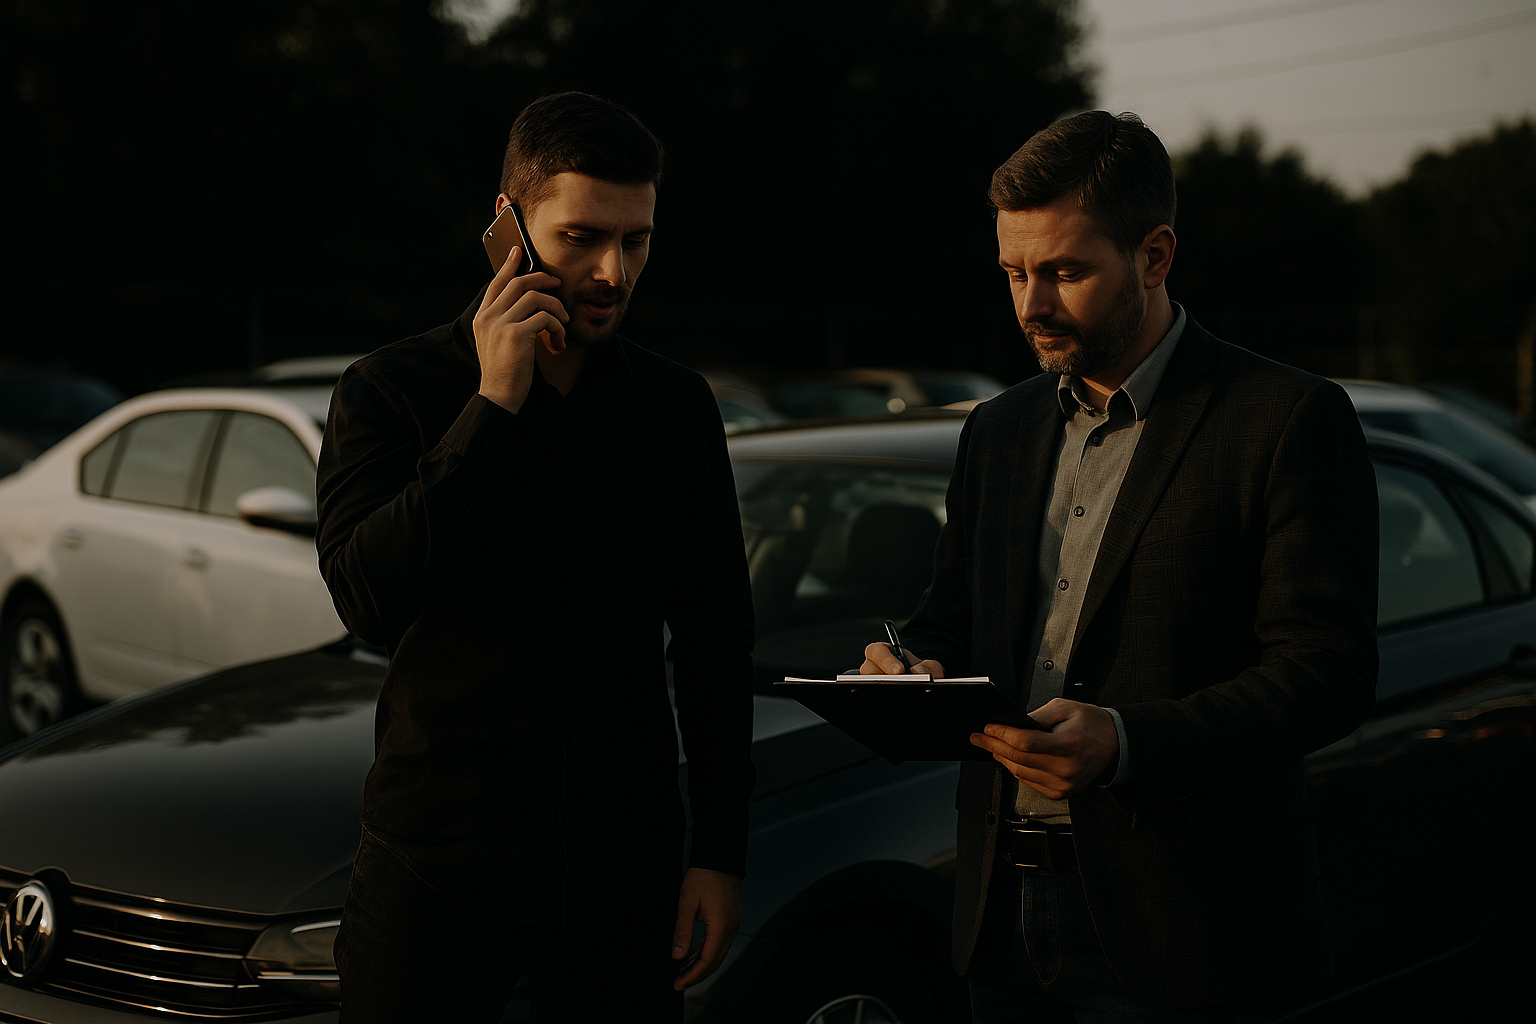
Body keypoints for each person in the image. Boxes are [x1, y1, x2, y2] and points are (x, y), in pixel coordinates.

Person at [860, 111, 1378, 1021]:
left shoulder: (1287, 418)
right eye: (1014, 274)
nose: (1031, 306)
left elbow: (1326, 672)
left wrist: (1128, 743)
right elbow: (952, 615)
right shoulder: (997, 430)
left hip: (1192, 934)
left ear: (1156, 255)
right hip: (1001, 921)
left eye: (1064, 271)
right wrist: (915, 666)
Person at [316, 92, 755, 1022]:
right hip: (435, 875)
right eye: (582, 238)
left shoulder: (675, 408)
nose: (613, 271)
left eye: (636, 240)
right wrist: (493, 409)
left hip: (620, 885)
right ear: (508, 227)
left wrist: (719, 852)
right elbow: (368, 600)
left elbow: (717, 639)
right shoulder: (389, 391)